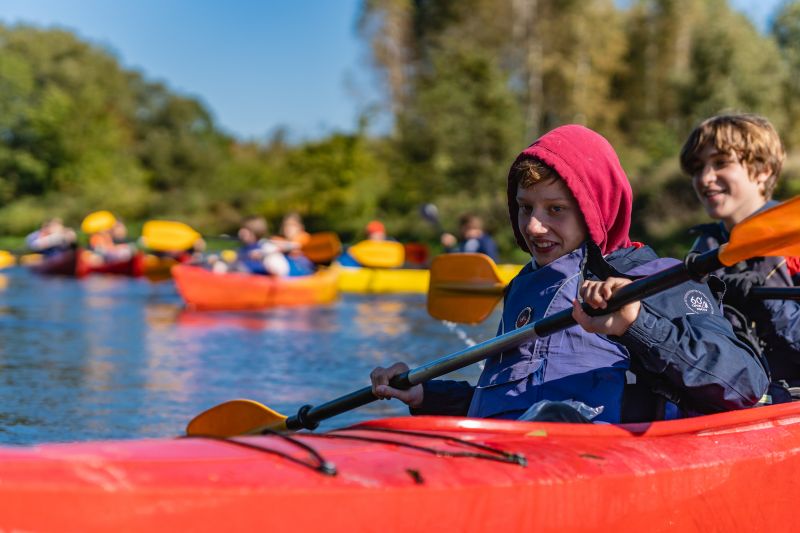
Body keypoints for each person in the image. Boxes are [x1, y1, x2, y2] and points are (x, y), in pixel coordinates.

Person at [370, 124, 768, 424]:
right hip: (511, 456)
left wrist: (636, 324)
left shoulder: (656, 278)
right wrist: (428, 395)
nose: (533, 226)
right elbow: (511, 402)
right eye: (526, 207)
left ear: (596, 210)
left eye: (555, 209)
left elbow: (745, 385)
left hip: (600, 465)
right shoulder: (524, 286)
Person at [681, 113, 800, 390]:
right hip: (732, 397)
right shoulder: (704, 249)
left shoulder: (794, 238)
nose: (705, 178)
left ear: (763, 170)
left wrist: (765, 300)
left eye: (721, 163)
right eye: (698, 168)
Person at [213, 215, 290, 276]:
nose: (240, 232)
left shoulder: (267, 247)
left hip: (260, 285)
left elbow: (281, 270)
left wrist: (263, 257)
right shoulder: (242, 249)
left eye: (245, 229)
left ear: (254, 231)